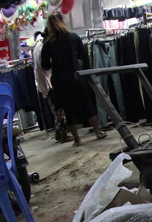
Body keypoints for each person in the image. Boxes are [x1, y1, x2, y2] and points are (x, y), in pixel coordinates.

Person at [40, 12, 106, 146]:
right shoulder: (73, 37)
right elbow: (84, 56)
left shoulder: (48, 44)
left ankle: (77, 139)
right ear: (62, 21)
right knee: (87, 104)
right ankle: (98, 132)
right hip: (76, 76)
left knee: (68, 110)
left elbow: (45, 65)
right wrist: (85, 72)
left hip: (59, 80)